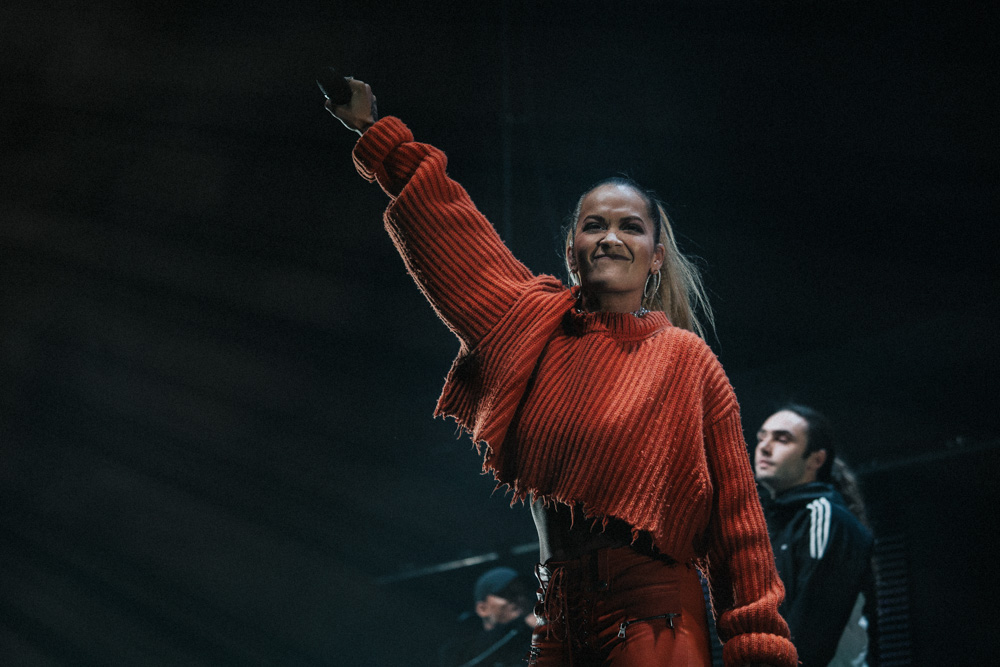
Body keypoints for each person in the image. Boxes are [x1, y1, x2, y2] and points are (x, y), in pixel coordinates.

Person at [327, 78, 797, 666]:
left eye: (630, 226)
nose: (610, 237)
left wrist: (761, 652)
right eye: (593, 225)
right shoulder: (531, 328)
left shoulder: (686, 360)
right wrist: (377, 135)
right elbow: (452, 231)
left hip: (654, 617)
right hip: (555, 617)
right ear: (572, 248)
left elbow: (738, 529)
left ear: (656, 258)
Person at [754, 405, 878, 666]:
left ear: (816, 460)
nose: (764, 447)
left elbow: (812, 633)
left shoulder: (827, 518)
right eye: (762, 437)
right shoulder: (765, 526)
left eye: (782, 438)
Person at [439, 567, 537, 667]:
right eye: (507, 594)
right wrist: (523, 625)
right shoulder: (460, 648)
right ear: (482, 609)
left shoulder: (537, 640)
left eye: (524, 593)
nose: (520, 599)